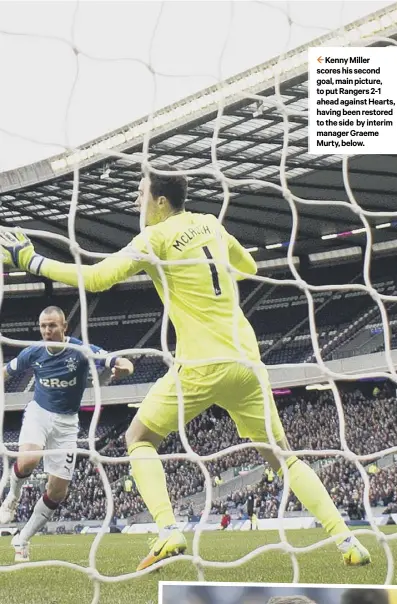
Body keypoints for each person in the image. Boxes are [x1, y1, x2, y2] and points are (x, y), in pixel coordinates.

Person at [0, 164, 371, 571]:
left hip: (200, 365)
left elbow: (96, 279)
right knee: (285, 459)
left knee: (137, 437)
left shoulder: (154, 237)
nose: (136, 202)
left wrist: (31, 260)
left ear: (160, 201)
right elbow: (248, 266)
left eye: (140, 194)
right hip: (247, 361)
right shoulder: (210, 222)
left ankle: (168, 529)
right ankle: (347, 540)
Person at [0, 305, 133, 562]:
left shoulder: (80, 351)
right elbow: (5, 372)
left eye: (52, 326)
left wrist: (124, 368)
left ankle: (22, 539)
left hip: (67, 423)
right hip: (39, 413)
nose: (47, 330)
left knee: (57, 492)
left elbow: (117, 360)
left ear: (64, 327)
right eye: (43, 326)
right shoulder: (33, 352)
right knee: (28, 459)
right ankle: (12, 498)